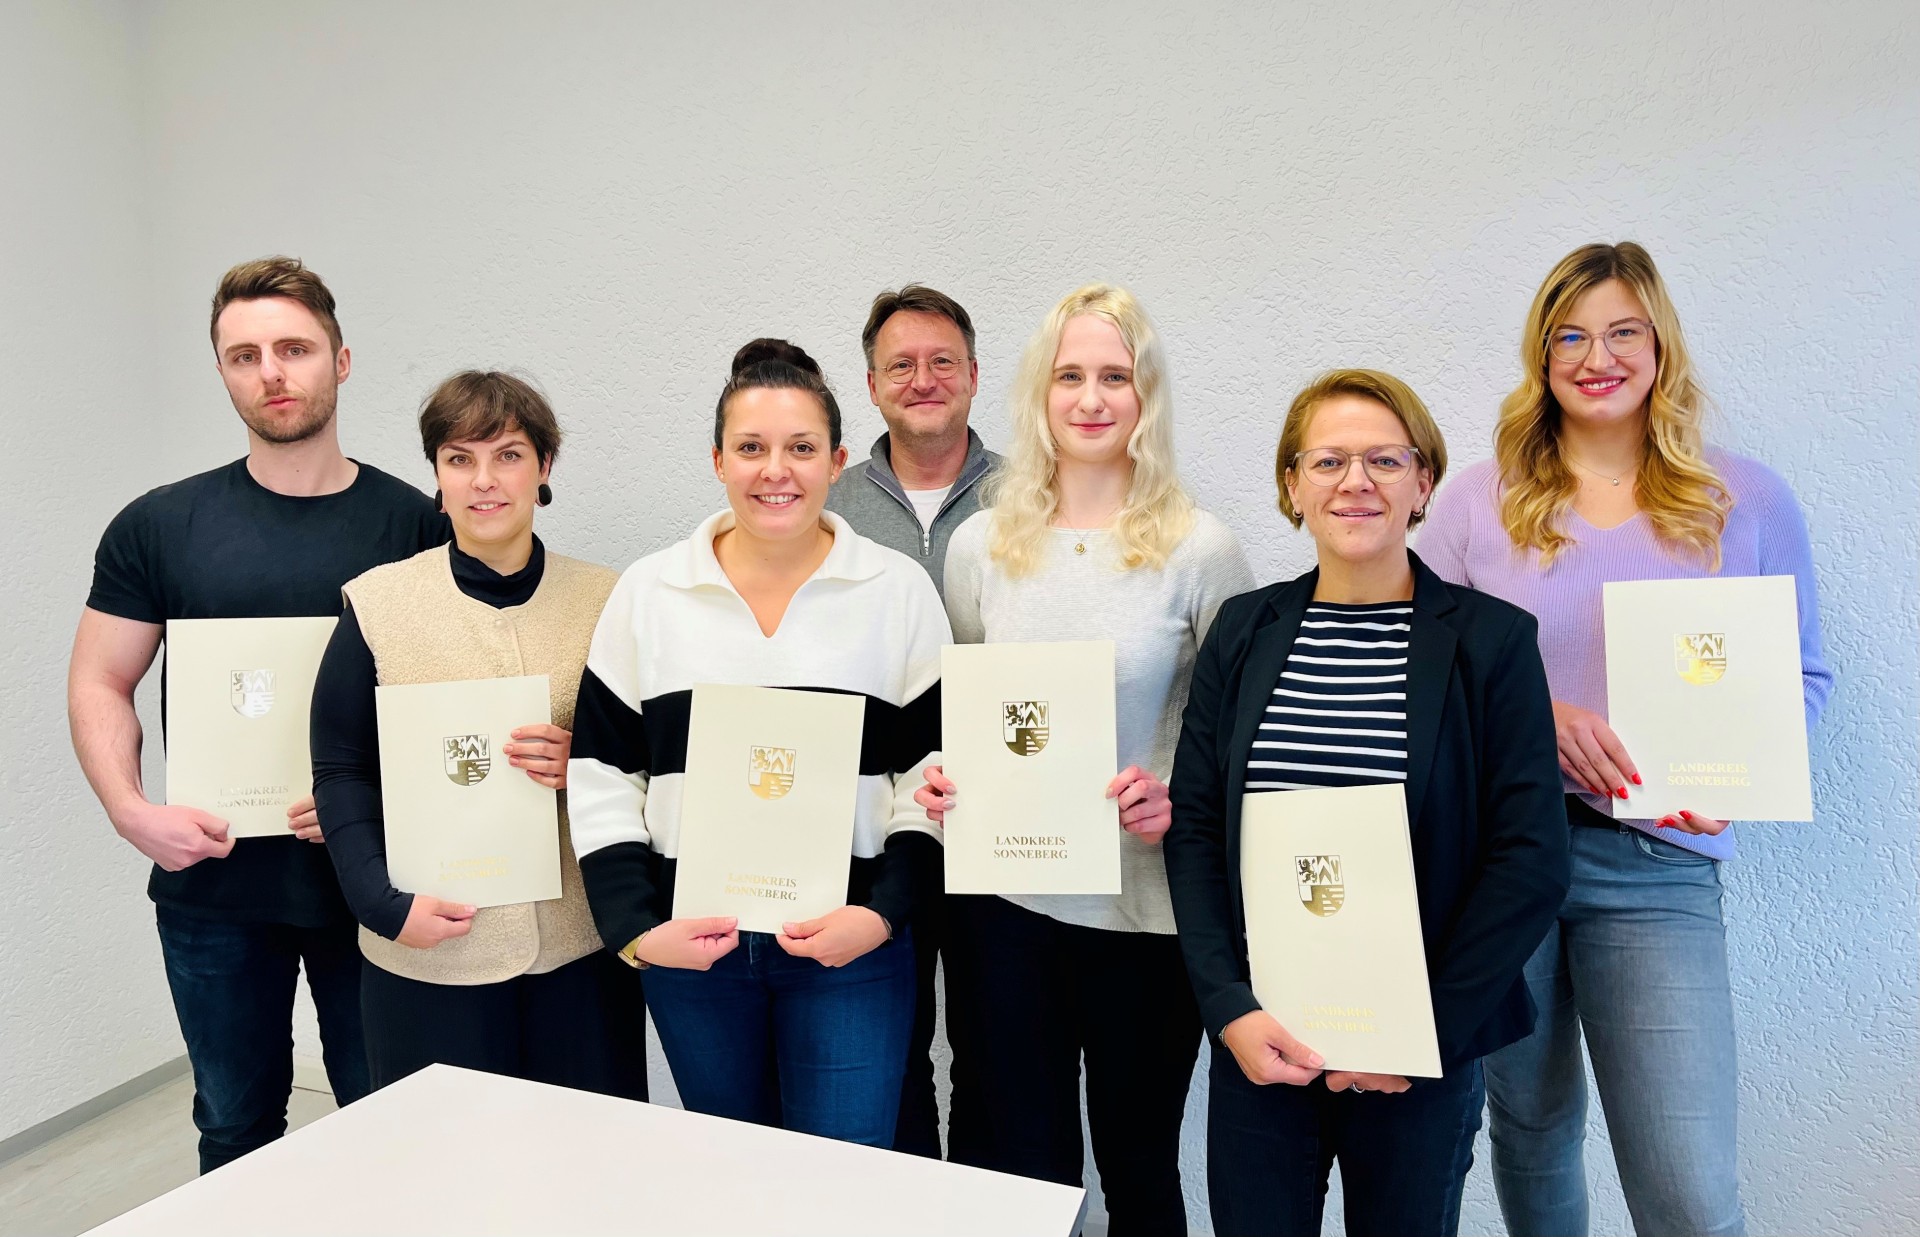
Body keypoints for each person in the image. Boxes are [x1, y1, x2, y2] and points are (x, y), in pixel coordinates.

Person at [1419, 241, 1832, 1237]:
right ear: (1541, 353)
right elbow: (1413, 673)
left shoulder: (1745, 499)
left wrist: (1744, 769)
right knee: (1532, 1131)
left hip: (1658, 862)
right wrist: (1534, 715)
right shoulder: (1477, 501)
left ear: (1659, 347)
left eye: (1621, 332)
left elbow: (1802, 680)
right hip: (1498, 858)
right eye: (1569, 334)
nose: (1595, 354)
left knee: (1687, 1188)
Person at [1164, 368, 1571, 1237]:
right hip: (1260, 1043)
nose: (1356, 482)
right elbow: (1196, 828)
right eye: (1329, 461)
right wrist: (1227, 1009)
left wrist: (1420, 1034)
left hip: (1421, 1047)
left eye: (1386, 460)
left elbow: (1530, 857)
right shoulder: (1242, 630)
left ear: (1424, 483)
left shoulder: (1493, 642)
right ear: (1291, 484)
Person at [67, 257, 446, 1173]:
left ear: (341, 361)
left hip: (370, 883)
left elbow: (444, 702)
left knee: (388, 1119)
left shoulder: (415, 524)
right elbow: (98, 681)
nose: (271, 372)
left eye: (293, 348)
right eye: (244, 355)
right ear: (224, 372)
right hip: (215, 891)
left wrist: (376, 799)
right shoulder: (158, 526)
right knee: (235, 1128)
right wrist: (129, 808)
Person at [914, 283, 1252, 1234]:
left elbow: (1234, 734)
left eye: (1116, 376)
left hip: (1141, 913)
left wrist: (1176, 796)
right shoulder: (982, 546)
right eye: (1071, 376)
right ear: (1040, 392)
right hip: (1008, 909)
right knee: (1023, 1170)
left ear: (1147, 396)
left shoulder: (1201, 550)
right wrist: (947, 776)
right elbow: (972, 705)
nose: (1092, 398)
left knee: (1141, 1167)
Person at [568, 339, 947, 1148]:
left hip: (849, 952)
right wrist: (637, 930)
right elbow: (603, 773)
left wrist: (881, 916)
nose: (776, 470)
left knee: (842, 1187)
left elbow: (931, 777)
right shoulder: (649, 593)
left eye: (801, 448)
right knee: (732, 1181)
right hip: (694, 954)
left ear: (837, 461)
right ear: (716, 460)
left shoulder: (897, 593)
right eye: (751, 448)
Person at [307, 371, 647, 1099]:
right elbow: (341, 772)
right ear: (436, 473)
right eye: (460, 458)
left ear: (544, 467)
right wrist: (385, 907)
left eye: (509, 455)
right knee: (443, 1178)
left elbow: (652, 756)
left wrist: (585, 760)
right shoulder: (376, 604)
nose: (484, 480)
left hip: (580, 947)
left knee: (586, 1169)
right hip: (429, 951)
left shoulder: (612, 599)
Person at [827, 283, 1000, 1158]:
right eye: (901, 364)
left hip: (1000, 825)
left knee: (994, 1055)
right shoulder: (823, 506)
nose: (923, 379)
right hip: (872, 822)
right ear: (870, 384)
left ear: (974, 374)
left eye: (942, 362)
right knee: (884, 1055)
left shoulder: (1033, 497)